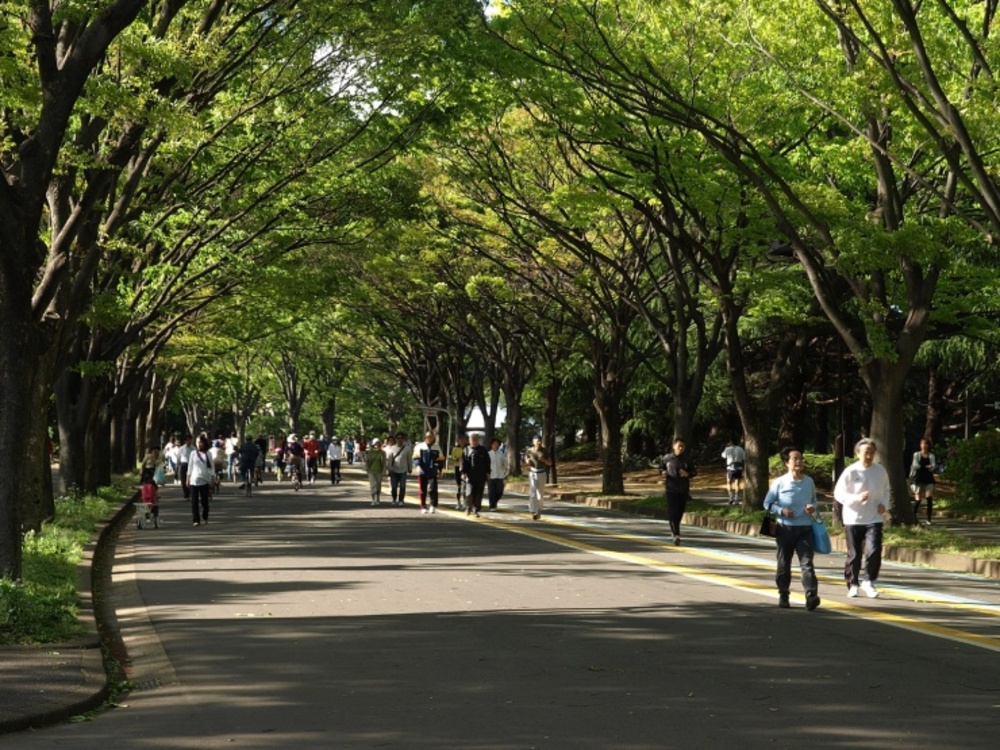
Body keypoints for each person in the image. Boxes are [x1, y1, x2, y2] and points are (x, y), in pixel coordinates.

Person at [763, 447, 821, 610]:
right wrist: (781, 511)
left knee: (807, 563)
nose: (799, 462)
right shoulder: (780, 482)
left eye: (801, 458)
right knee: (783, 563)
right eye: (795, 459)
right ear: (786, 462)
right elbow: (767, 504)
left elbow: (815, 502)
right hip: (784, 529)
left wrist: (812, 508)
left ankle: (811, 595)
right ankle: (783, 594)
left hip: (805, 528)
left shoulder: (809, 481)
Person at [834, 437, 891, 598]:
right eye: (866, 452)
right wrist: (856, 498)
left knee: (874, 550)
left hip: (874, 517)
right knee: (854, 554)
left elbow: (886, 490)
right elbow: (838, 493)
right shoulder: (851, 471)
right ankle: (853, 583)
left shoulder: (880, 471)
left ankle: (869, 581)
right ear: (857, 453)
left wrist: (884, 504)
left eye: (872, 453)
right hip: (853, 518)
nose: (869, 456)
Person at [659, 437, 697, 545]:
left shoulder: (687, 460)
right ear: (674, 446)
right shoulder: (667, 458)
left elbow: (694, 472)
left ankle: (675, 530)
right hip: (671, 489)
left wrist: (687, 474)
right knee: (672, 512)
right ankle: (676, 534)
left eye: (683, 446)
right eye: (679, 446)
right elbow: (661, 468)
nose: (681, 448)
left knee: (680, 512)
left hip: (683, 489)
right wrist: (663, 473)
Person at [413, 430, 446, 514]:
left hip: (432, 471)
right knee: (422, 490)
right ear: (425, 437)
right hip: (422, 471)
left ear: (433, 437)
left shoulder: (436, 447)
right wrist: (418, 466)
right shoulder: (420, 446)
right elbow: (416, 458)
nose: (429, 439)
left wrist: (440, 469)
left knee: (432, 489)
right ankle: (423, 506)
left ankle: (432, 505)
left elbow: (440, 460)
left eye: (431, 437)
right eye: (428, 437)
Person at [187, 434, 215, 526]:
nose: (199, 444)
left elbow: (212, 467)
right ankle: (196, 520)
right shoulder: (193, 454)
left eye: (201, 442)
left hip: (205, 480)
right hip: (194, 480)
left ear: (204, 443)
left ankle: (205, 515)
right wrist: (188, 478)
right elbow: (190, 467)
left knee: (204, 502)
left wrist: (212, 478)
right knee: (194, 502)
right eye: (198, 442)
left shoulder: (208, 454)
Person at [910, 438, 938, 525]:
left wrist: (928, 467)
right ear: (920, 445)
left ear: (928, 445)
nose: (924, 446)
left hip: (928, 479)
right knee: (918, 499)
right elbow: (915, 465)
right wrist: (926, 466)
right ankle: (913, 517)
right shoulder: (917, 455)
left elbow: (933, 466)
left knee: (929, 498)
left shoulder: (931, 456)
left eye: (926, 444)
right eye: (922, 444)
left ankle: (929, 519)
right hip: (918, 478)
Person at [462, 433, 491, 517]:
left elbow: (487, 463)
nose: (474, 442)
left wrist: (488, 473)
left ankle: (476, 509)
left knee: (478, 493)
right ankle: (468, 507)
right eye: (472, 440)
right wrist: (463, 472)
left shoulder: (483, 450)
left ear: (478, 441)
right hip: (470, 475)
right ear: (469, 441)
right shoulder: (466, 450)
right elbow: (463, 463)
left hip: (480, 475)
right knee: (469, 492)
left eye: (475, 440)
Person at [524, 435, 550, 521]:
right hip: (532, 472)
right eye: (537, 440)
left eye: (540, 441)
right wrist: (527, 461)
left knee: (540, 493)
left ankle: (539, 510)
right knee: (533, 492)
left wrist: (543, 460)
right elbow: (526, 459)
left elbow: (549, 463)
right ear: (533, 442)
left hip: (542, 472)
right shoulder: (529, 450)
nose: (538, 442)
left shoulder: (545, 451)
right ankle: (532, 510)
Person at [387, 431, 412, 505]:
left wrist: (410, 468)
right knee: (394, 487)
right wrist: (389, 469)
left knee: (402, 486)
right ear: (396, 439)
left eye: (401, 438)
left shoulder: (407, 449)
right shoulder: (392, 448)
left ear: (403, 439)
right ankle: (394, 498)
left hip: (403, 470)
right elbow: (390, 459)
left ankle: (401, 500)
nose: (400, 440)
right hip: (394, 470)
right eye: (398, 438)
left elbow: (409, 459)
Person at [139, 445, 162, 522]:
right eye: (154, 451)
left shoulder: (158, 459)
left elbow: (159, 468)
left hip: (153, 474)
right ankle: (146, 499)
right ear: (152, 452)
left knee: (153, 486)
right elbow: (143, 465)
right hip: (146, 474)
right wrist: (141, 471)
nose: (156, 453)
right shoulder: (147, 457)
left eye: (157, 452)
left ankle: (155, 495)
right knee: (147, 486)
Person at [722, 436, 746, 506]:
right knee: (737, 484)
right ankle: (736, 499)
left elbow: (723, 456)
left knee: (729, 483)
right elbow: (744, 458)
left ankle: (731, 497)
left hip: (730, 468)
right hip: (739, 468)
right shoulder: (741, 449)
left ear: (731, 442)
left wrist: (726, 447)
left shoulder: (727, 449)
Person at [487, 437, 508, 511]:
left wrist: (505, 472)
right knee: (491, 492)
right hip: (491, 476)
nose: (496, 445)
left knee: (499, 491)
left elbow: (505, 464)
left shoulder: (501, 454)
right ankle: (492, 506)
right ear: (491, 445)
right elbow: (486, 465)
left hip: (500, 475)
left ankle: (494, 502)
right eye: (494, 444)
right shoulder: (488, 454)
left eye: (497, 444)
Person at [365, 438, 387, 505]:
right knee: (373, 485)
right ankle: (373, 500)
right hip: (371, 471)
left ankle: (378, 498)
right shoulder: (370, 452)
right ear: (373, 444)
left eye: (378, 443)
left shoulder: (382, 453)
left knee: (378, 485)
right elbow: (367, 461)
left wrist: (384, 470)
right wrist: (367, 469)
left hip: (379, 471)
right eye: (375, 443)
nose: (377, 444)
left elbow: (384, 462)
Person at [450, 434, 468, 510]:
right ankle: (458, 502)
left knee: (465, 486)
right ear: (457, 441)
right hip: (457, 467)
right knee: (459, 486)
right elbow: (453, 458)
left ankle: (465, 502)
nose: (461, 442)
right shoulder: (455, 449)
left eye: (463, 441)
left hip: (465, 469)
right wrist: (459, 459)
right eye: (460, 441)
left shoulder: (467, 449)